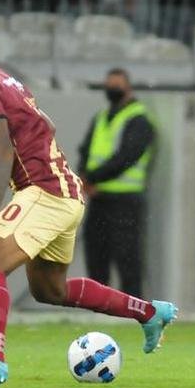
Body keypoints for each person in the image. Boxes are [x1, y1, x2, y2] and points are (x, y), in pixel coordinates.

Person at [0, 30, 176, 385]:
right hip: (66, 191)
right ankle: (151, 312)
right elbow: (47, 124)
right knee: (50, 290)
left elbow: (1, 145)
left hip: (43, 192)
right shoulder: (2, 77)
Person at [78, 68, 156, 298]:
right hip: (99, 198)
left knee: (127, 259)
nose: (112, 90)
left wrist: (91, 178)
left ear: (128, 87)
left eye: (117, 85)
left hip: (125, 200)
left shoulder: (139, 119)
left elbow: (126, 157)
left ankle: (134, 309)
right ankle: (98, 308)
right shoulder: (101, 117)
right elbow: (86, 151)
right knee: (96, 255)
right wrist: (83, 176)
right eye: (109, 85)